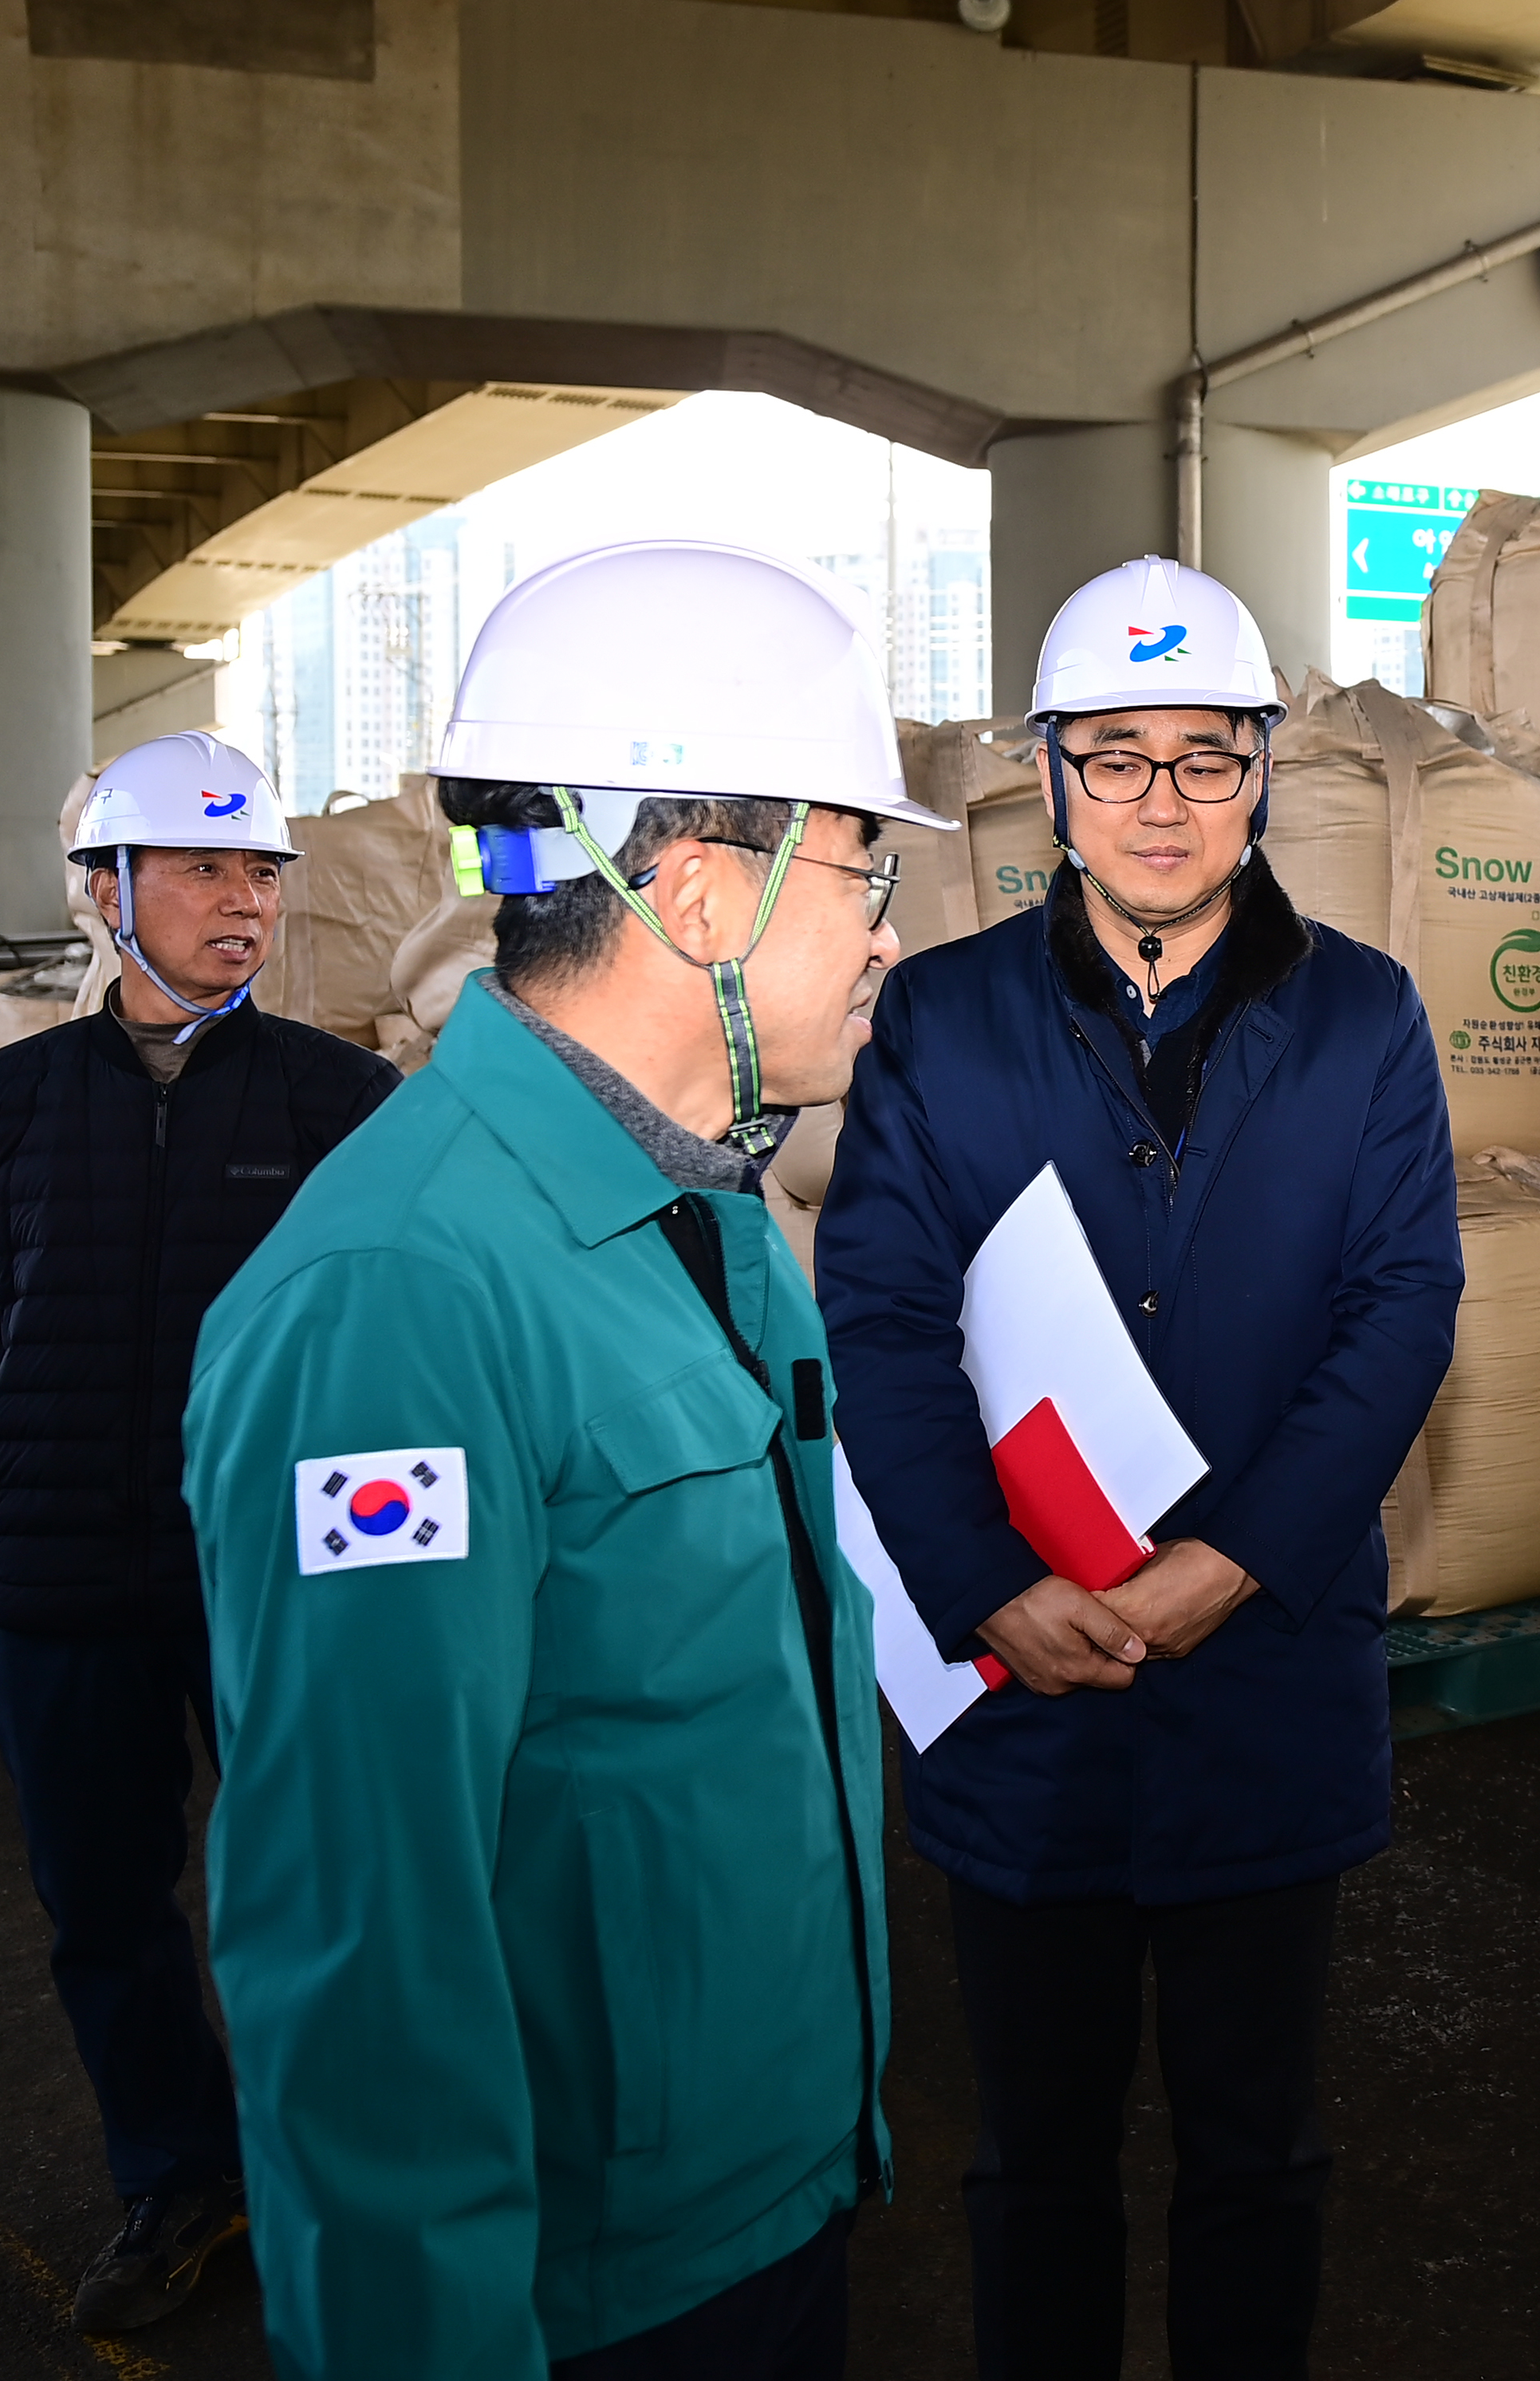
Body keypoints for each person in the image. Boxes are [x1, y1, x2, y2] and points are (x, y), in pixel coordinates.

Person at [179, 541, 944, 2380]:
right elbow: (364, 1955)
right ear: (695, 894)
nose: (889, 932)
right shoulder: (399, 1301)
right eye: (866, 872)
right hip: (591, 2289)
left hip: (770, 2196)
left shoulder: (715, 1214)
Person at [817, 557, 1459, 2380]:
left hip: (1265, 1672)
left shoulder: (1365, 1015)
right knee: (1035, 2164)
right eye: (1117, 759)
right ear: (1048, 777)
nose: (1161, 803)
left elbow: (1403, 1308)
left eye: (1204, 758)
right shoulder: (941, 1018)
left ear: (1264, 771)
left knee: (1259, 2155)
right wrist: (985, 1583)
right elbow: (875, 1314)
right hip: (1025, 1686)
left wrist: (1237, 1555)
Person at [0, 733, 396, 2333]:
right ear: (107, 892)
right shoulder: (13, 1106)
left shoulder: (344, 1101)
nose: (246, 905)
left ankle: (344, 2176)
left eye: (261, 875)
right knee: (103, 1907)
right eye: (205, 870)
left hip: (278, 1578)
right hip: (58, 1580)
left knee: (320, 1889)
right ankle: (182, 2175)